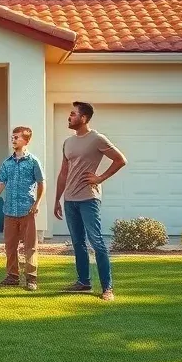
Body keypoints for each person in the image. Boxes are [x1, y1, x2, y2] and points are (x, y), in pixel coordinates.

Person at [54, 101, 128, 301]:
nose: (69, 117)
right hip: (70, 200)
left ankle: (107, 288)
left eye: (72, 114)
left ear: (83, 118)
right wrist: (57, 199)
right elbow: (63, 173)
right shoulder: (67, 142)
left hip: (88, 198)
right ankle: (83, 282)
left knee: (96, 242)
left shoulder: (97, 139)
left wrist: (100, 178)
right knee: (77, 243)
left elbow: (120, 159)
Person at [0, 126, 45, 291]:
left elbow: (42, 183)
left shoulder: (33, 162)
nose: (13, 140)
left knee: (30, 246)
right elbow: (1, 182)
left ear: (26, 140)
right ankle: (12, 277)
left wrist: (37, 203)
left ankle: (31, 279)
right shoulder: (7, 163)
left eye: (17, 137)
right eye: (12, 137)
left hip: (27, 210)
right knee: (10, 246)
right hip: (9, 211)